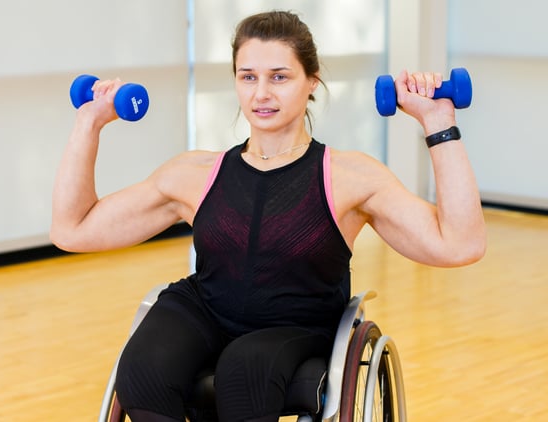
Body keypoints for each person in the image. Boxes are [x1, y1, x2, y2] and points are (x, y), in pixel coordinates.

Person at [51, 10, 485, 422]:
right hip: (203, 309)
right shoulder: (195, 174)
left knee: (246, 372)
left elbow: (460, 244)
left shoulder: (349, 176)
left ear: (312, 81)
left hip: (297, 325)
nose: (261, 94)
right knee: (142, 371)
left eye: (279, 77)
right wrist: (88, 124)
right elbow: (74, 229)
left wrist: (437, 122)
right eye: (248, 77)